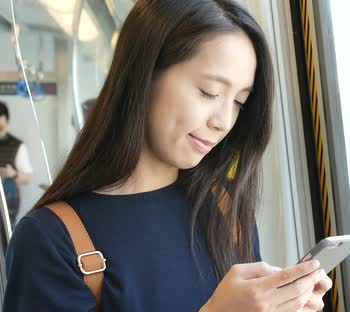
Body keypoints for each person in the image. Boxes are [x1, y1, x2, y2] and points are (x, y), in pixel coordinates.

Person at [2, 1, 332, 311]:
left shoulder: (223, 208)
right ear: (144, 75)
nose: (223, 122)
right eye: (210, 92)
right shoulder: (50, 240)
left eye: (239, 102)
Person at [0, 101, 33, 228]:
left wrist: (12, 174)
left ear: (7, 122)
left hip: (7, 202)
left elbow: (27, 177)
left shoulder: (17, 146)